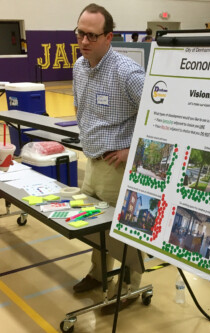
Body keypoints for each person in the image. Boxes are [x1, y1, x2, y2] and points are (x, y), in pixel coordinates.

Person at [72, 3, 145, 314]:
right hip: (92, 160)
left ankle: (131, 288)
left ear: (108, 37)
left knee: (121, 230)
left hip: (118, 167)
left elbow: (160, 117)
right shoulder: (79, 66)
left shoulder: (127, 72)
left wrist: (132, 151)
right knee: (93, 225)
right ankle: (99, 273)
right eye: (80, 33)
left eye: (91, 35)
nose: (84, 41)